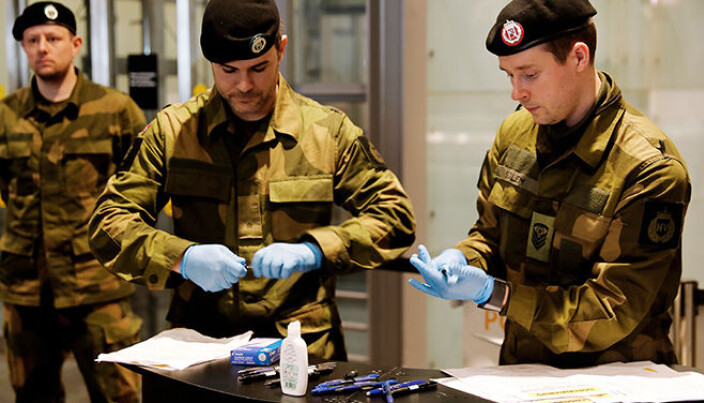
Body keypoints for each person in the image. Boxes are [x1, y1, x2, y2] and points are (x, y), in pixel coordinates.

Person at [88, 0, 415, 361]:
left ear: (282, 49)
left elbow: (395, 216)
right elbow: (108, 224)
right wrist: (182, 257)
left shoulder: (327, 132)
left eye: (259, 68)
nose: (244, 85)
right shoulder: (173, 132)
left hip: (302, 349)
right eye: (228, 70)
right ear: (210, 62)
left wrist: (316, 249)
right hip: (201, 348)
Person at [409, 0, 690, 368]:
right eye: (508, 75)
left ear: (578, 58)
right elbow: (490, 234)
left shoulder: (648, 168)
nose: (516, 92)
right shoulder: (515, 134)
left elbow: (610, 311)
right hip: (520, 372)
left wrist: (497, 295)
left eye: (529, 74)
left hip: (613, 380)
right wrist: (464, 258)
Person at [0, 2, 146, 402]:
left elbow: (144, 189)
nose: (42, 48)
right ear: (24, 48)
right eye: (32, 41)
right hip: (27, 289)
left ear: (75, 43)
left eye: (53, 38)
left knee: (119, 396)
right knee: (33, 395)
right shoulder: (5, 115)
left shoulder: (115, 110)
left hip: (96, 285)